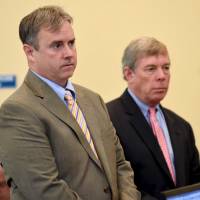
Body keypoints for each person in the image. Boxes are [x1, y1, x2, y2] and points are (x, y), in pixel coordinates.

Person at [0, 6, 140, 200]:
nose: (69, 53)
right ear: (30, 52)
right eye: (57, 45)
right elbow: (44, 190)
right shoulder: (16, 111)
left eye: (71, 43)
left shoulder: (93, 100)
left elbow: (120, 166)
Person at [107, 37, 200, 200]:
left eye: (166, 67)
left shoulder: (181, 126)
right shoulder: (108, 119)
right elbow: (113, 184)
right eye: (151, 69)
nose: (161, 76)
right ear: (129, 74)